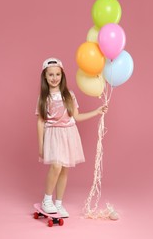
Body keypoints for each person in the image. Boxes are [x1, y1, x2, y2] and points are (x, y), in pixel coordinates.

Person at [36, 57, 108, 218]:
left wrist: (97, 112)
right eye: (51, 75)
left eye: (57, 75)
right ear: (45, 77)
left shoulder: (69, 95)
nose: (54, 78)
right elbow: (40, 122)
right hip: (53, 134)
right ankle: (47, 200)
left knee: (64, 170)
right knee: (56, 166)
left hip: (69, 134)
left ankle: (58, 203)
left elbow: (76, 116)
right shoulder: (44, 98)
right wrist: (40, 145)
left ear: (62, 76)